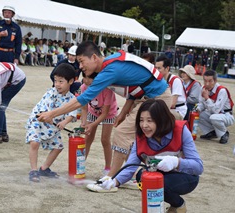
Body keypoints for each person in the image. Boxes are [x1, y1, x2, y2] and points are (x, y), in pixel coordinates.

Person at [38, 41, 172, 190]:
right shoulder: (112, 63)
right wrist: (123, 112)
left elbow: (83, 99)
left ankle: (111, 180)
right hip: (147, 97)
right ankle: (128, 176)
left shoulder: (109, 70)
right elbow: (136, 86)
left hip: (157, 98)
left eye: (82, 61)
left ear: (94, 57)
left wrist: (52, 113)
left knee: (122, 133)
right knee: (131, 136)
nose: (80, 67)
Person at [90, 99, 203, 213]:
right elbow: (130, 167)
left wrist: (176, 162)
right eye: (141, 120)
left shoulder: (180, 130)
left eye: (150, 120)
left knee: (161, 182)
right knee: (142, 177)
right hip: (160, 176)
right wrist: (114, 181)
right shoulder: (140, 138)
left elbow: (198, 167)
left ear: (162, 120)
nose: (144, 125)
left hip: (185, 177)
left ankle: (178, 204)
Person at [26, 63, 77, 182]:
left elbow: (73, 113)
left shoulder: (72, 98)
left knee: (58, 147)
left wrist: (65, 122)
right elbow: (46, 107)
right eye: (55, 81)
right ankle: (33, 170)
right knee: (34, 143)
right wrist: (48, 116)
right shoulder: (51, 92)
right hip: (37, 122)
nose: (57, 84)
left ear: (70, 81)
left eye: (61, 81)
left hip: (52, 127)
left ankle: (44, 168)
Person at [80, 72, 117, 176]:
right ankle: (80, 165)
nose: (86, 80)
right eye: (84, 77)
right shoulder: (84, 87)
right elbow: (84, 107)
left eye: (89, 78)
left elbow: (105, 113)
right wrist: (84, 122)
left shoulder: (107, 89)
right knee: (87, 138)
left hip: (109, 114)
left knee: (105, 140)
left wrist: (92, 125)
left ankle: (108, 168)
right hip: (93, 112)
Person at [197, 70, 234, 144]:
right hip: (212, 113)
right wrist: (197, 109)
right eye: (205, 81)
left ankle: (224, 133)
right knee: (198, 114)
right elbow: (201, 104)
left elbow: (216, 110)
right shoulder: (203, 88)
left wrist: (207, 98)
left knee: (214, 117)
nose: (207, 84)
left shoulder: (222, 90)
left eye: (210, 81)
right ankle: (211, 132)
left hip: (226, 115)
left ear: (215, 80)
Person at [156, 55, 187, 120]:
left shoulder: (175, 80)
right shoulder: (159, 80)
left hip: (177, 110)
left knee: (157, 115)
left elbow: (172, 103)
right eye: (155, 68)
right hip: (167, 108)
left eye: (159, 68)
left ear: (167, 68)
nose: (156, 70)